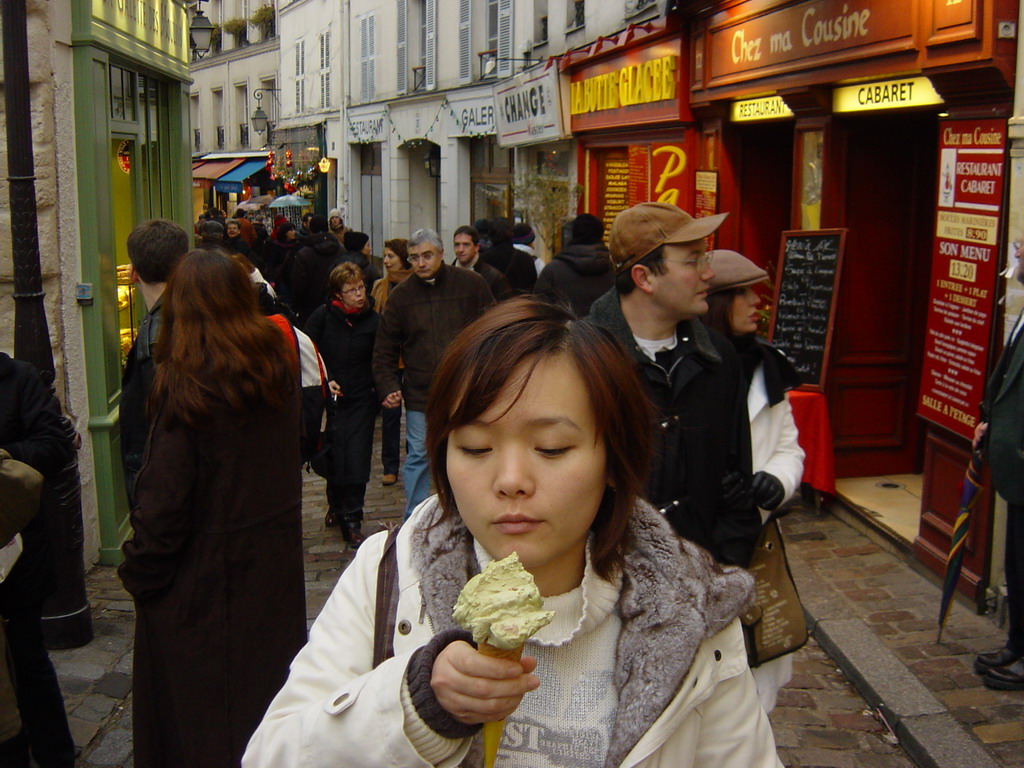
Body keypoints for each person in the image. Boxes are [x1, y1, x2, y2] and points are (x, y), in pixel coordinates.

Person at [244, 297, 782, 768]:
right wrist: (415, 707)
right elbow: (272, 753)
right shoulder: (390, 571)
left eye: (551, 449)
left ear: (614, 458)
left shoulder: (689, 607)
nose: (510, 482)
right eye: (475, 448)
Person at [118, 250, 307, 768]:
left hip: (199, 593)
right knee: (261, 713)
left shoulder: (187, 386)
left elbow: (162, 507)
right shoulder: (274, 368)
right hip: (269, 579)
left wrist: (139, 572)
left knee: (199, 729)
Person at [588, 202, 759, 567]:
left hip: (699, 575)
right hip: (606, 579)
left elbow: (735, 477)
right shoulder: (583, 359)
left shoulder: (718, 356)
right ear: (644, 278)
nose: (709, 274)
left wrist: (724, 566)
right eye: (693, 260)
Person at [701, 250, 805, 711]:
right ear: (717, 300)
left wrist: (777, 483)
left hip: (755, 541)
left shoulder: (768, 365)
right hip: (700, 543)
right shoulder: (687, 366)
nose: (756, 302)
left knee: (755, 672)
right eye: (743, 293)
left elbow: (788, 446)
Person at [373, 228, 493, 518]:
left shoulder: (471, 284)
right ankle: (414, 517)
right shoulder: (402, 297)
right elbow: (385, 346)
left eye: (427, 255)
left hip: (465, 385)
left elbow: (493, 326)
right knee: (419, 454)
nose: (421, 263)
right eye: (414, 258)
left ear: (440, 254)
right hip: (420, 390)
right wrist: (388, 384)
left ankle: (468, 507)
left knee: (468, 448)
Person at [0, 353, 76, 768]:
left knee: (27, 662)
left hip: (14, 556)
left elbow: (54, 445)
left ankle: (54, 756)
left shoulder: (17, 379)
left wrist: (3, 455)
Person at [972, 254, 1024, 691]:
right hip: (1013, 465)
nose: (1018, 253)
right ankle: (1017, 643)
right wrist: (990, 419)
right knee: (1018, 563)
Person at [305, 263, 380, 547]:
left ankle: (353, 517)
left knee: (357, 457)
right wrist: (327, 380)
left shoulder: (373, 320)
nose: (359, 295)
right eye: (351, 290)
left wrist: (383, 391)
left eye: (361, 288)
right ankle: (335, 503)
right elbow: (310, 351)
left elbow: (379, 357)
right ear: (338, 293)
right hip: (332, 399)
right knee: (334, 455)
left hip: (362, 397)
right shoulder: (323, 317)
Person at [120, 218, 189, 506]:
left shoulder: (157, 338)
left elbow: (170, 427)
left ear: (134, 273)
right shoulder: (192, 312)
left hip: (164, 486)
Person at [371, 239, 413, 487]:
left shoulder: (414, 286)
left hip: (411, 357)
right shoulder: (379, 286)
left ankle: (412, 463)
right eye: (385, 256)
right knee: (390, 413)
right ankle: (390, 466)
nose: (385, 261)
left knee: (416, 416)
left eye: (390, 257)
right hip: (389, 358)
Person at [535, 212, 614, 319]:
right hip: (605, 334)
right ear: (601, 234)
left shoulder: (553, 270)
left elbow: (539, 308)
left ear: (573, 233)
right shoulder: (615, 270)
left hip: (565, 333)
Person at [291, 215, 344, 327]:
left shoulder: (304, 253)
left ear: (311, 228)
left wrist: (297, 305)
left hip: (309, 307)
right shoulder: (340, 250)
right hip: (337, 305)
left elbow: (299, 283)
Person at [452, 224, 511, 300]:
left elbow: (503, 308)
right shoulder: (446, 275)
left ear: (476, 247)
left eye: (466, 245)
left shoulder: (494, 277)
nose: (460, 250)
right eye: (457, 245)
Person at [480, 217, 536, 294]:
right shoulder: (526, 258)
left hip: (495, 304)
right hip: (520, 303)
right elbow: (532, 286)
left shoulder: (484, 259)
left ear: (490, 234)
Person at [340, 230, 381, 294]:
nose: (370, 249)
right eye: (368, 245)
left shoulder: (336, 264)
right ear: (360, 248)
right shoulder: (369, 268)